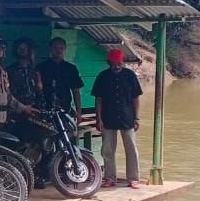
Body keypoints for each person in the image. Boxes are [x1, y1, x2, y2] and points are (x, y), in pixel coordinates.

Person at [91, 48, 143, 189]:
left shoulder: (130, 75)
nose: (116, 65)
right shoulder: (102, 76)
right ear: (109, 62)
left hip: (128, 118)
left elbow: (136, 98)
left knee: (131, 148)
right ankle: (109, 177)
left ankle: (133, 178)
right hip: (108, 118)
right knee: (107, 150)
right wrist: (98, 119)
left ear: (122, 62)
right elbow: (99, 100)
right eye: (114, 63)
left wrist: (137, 118)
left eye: (119, 63)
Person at [37, 36, 84, 116]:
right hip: (44, 110)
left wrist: (79, 111)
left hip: (65, 110)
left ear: (65, 49)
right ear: (50, 49)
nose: (58, 51)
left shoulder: (71, 68)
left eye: (61, 48)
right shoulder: (41, 67)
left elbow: (76, 91)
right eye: (55, 48)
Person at [7, 38, 42, 108]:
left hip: (33, 109)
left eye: (25, 48)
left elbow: (39, 91)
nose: (22, 50)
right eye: (20, 48)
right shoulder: (9, 71)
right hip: (16, 110)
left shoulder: (35, 71)